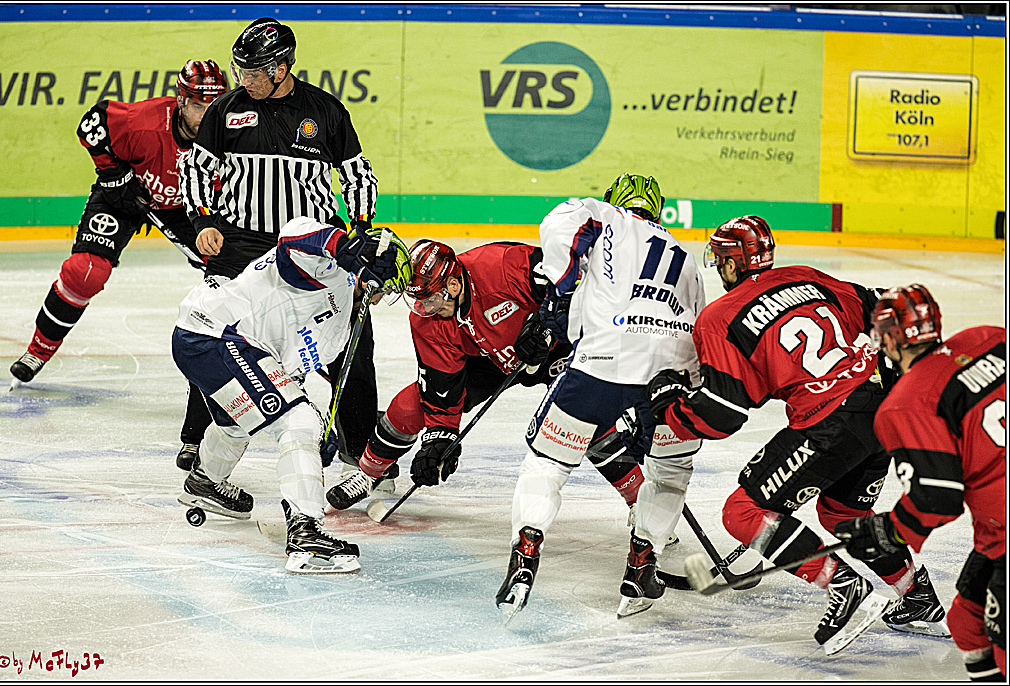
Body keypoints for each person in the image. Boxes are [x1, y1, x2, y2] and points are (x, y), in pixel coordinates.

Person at [643, 216, 947, 649]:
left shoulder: (720, 317)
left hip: (831, 421)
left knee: (742, 512)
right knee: (842, 513)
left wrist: (668, 404)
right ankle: (917, 597)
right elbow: (882, 306)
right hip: (881, 407)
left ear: (730, 263)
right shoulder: (805, 276)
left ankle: (842, 583)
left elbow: (722, 415)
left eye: (721, 258)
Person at [494, 173, 706, 622]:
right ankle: (641, 566)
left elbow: (559, 223)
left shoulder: (606, 216)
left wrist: (561, 293)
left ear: (616, 199)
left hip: (604, 361)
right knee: (670, 473)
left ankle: (526, 555)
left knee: (549, 462)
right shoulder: (686, 258)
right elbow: (700, 329)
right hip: (674, 375)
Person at [175, 17, 381, 474]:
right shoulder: (226, 110)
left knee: (352, 345)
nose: (243, 79)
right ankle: (198, 439)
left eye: (253, 71)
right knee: (212, 332)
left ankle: (362, 455)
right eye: (240, 70)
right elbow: (195, 169)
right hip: (240, 244)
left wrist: (360, 233)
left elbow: (357, 176)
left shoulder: (325, 111)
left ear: (281, 68)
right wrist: (203, 220)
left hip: (311, 249)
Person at [325, 233, 650, 519]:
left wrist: (548, 326)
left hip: (559, 347)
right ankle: (368, 474)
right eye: (419, 301)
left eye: (431, 300)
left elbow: (575, 284)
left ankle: (642, 504)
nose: (425, 309)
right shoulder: (428, 320)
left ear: (453, 285)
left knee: (583, 414)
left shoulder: (503, 265)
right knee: (413, 404)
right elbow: (441, 388)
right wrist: (440, 442)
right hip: (492, 359)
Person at [171, 216, 408, 574]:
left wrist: (318, 435)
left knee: (244, 421)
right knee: (298, 421)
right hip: (214, 331)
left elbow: (288, 374)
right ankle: (306, 533)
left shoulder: (341, 327)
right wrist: (346, 247)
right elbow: (293, 235)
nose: (381, 296)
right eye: (385, 286)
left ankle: (205, 481)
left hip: (227, 344)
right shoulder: (328, 267)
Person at [9, 60, 228, 385]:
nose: (207, 116)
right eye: (198, 105)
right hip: (126, 192)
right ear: (181, 101)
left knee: (231, 270)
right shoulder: (144, 122)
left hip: (189, 207)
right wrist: (113, 173)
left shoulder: (231, 135)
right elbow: (92, 123)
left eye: (214, 106)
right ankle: (37, 352)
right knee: (85, 271)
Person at [835, 285, 1005, 680]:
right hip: (997, 532)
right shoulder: (987, 337)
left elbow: (937, 499)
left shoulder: (906, 402)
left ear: (891, 338)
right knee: (966, 621)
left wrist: (886, 532)